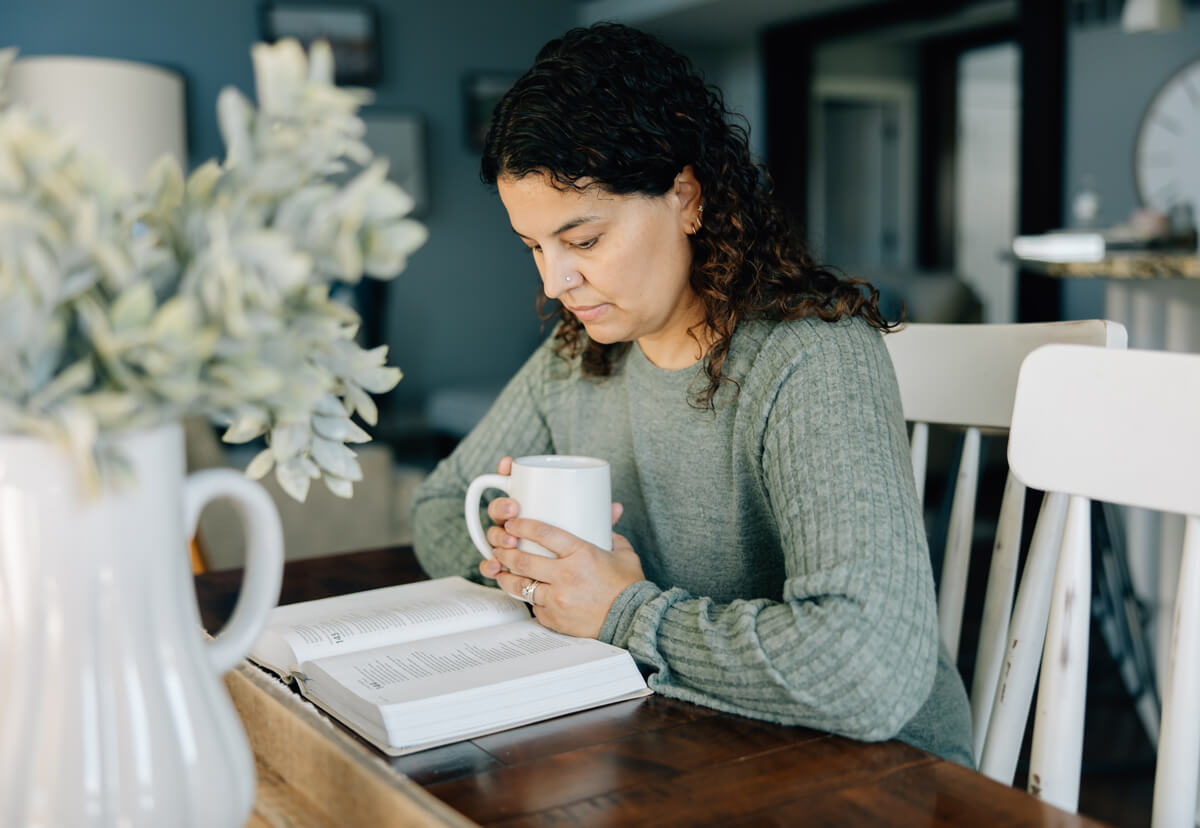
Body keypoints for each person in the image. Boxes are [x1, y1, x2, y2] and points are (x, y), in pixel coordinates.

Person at [411, 22, 973, 767]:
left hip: (873, 776)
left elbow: (867, 671)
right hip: (693, 743)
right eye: (534, 248)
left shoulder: (811, 358)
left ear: (685, 196)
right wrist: (538, 564)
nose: (554, 282)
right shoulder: (575, 355)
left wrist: (621, 612)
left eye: (582, 242)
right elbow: (440, 510)